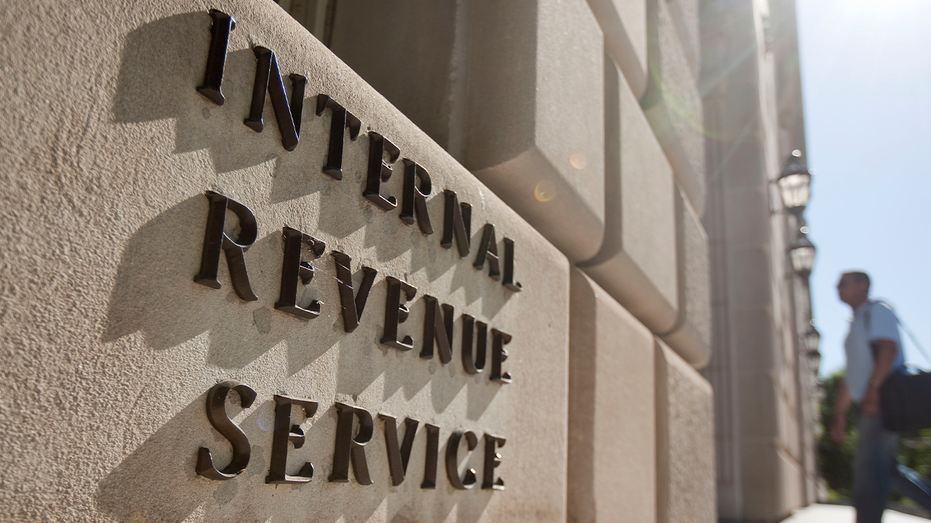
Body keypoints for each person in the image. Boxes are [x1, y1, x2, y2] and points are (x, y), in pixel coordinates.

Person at [831, 270, 931, 522]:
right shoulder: (855, 322)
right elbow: (851, 374)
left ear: (863, 285)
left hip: (879, 400)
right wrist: (839, 414)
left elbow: (888, 348)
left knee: (869, 470)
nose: (837, 287)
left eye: (844, 283)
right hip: (869, 400)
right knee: (887, 468)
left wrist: (874, 391)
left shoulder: (878, 310)